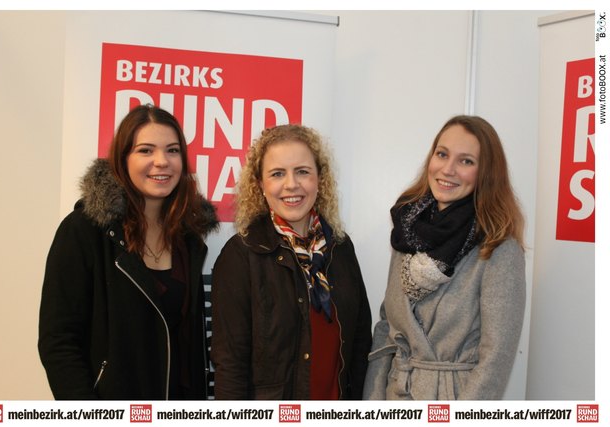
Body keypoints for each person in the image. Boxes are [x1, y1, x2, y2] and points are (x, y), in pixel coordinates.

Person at [38, 104, 218, 400]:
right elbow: (58, 341)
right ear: (123, 160)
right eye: (145, 150)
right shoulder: (85, 230)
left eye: (172, 151)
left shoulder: (188, 239)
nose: (162, 161)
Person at [363, 115, 526, 400]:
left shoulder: (499, 247)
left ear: (486, 173)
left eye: (466, 161)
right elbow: (386, 328)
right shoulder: (407, 232)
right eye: (442, 154)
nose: (448, 169)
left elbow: (495, 359)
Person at [210, 124, 372, 400]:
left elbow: (360, 342)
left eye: (302, 171)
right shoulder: (241, 255)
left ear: (319, 179)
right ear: (260, 184)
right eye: (277, 174)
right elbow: (230, 365)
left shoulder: (341, 248)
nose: (291, 184)